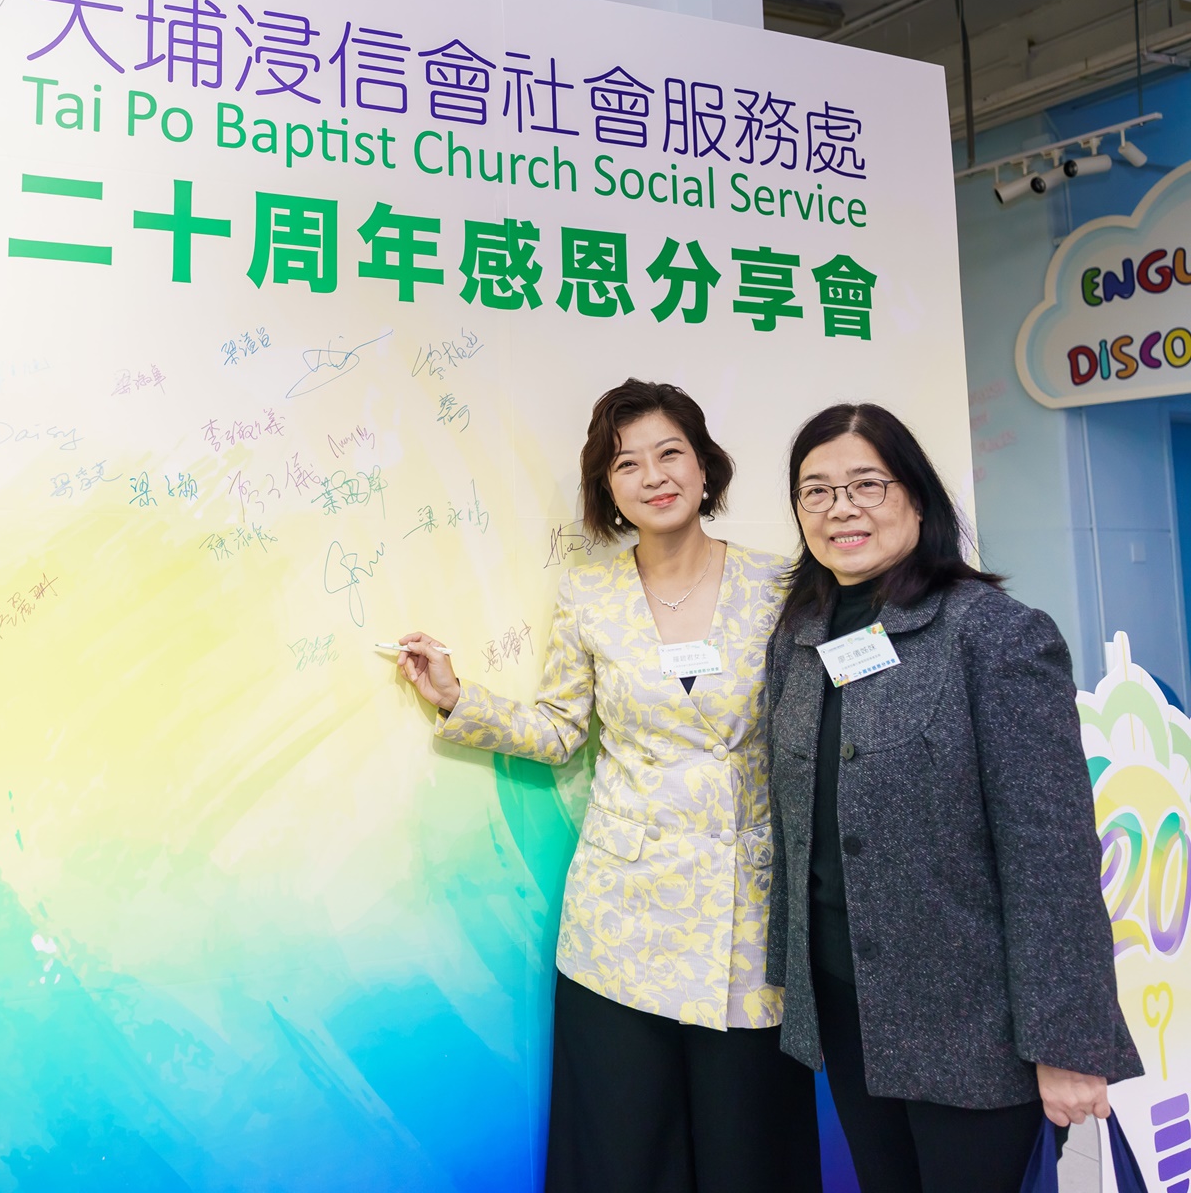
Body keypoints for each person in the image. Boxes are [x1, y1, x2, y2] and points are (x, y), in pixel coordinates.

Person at [397, 379, 820, 1193]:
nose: (653, 476)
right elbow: (561, 729)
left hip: (749, 916)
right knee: (626, 1154)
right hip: (622, 919)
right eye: (627, 464)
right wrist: (457, 698)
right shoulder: (589, 593)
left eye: (670, 453)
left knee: (750, 1152)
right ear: (608, 488)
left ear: (705, 467)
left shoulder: (782, 587)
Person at [764, 403, 1141, 1193]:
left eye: (866, 485)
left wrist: (1067, 1041)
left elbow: (1050, 854)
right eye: (817, 491)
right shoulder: (798, 638)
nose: (841, 509)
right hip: (847, 1004)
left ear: (918, 496)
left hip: (974, 1025)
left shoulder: (992, 632)